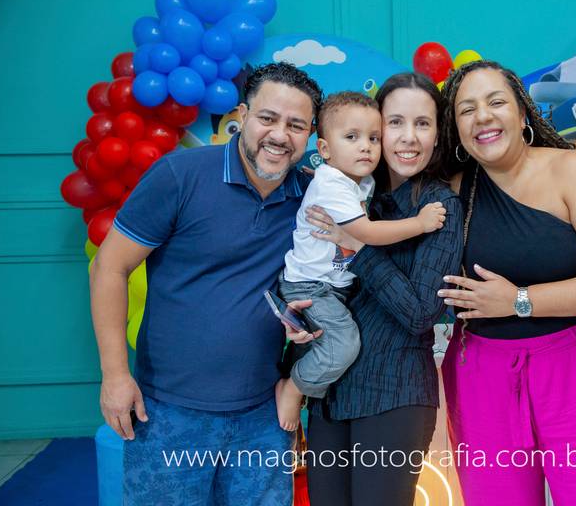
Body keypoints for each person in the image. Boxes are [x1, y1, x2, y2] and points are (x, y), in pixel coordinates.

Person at [90, 62, 323, 505]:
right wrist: (115, 375)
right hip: (168, 413)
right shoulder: (179, 175)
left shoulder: (311, 198)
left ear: (310, 134)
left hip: (263, 414)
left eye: (296, 125)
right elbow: (109, 267)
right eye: (268, 118)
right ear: (243, 115)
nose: (280, 135)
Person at [436, 60, 576, 506]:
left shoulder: (574, 171)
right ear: (456, 128)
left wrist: (518, 300)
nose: (483, 117)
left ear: (522, 113)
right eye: (467, 109)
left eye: (496, 102)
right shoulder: (452, 191)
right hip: (481, 375)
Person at [292, 72, 464, 505]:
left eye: (423, 124)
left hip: (394, 392)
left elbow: (420, 313)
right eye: (395, 123)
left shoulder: (438, 207)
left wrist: (358, 247)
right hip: (333, 396)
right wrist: (299, 323)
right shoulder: (354, 194)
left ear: (438, 133)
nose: (409, 137)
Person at [276, 91, 446, 431]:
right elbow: (366, 234)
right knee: (343, 345)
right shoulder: (333, 185)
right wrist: (420, 224)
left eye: (373, 138)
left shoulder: (355, 180)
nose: (365, 147)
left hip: (329, 286)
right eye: (351, 137)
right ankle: (293, 388)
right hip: (311, 287)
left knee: (331, 341)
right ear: (324, 149)